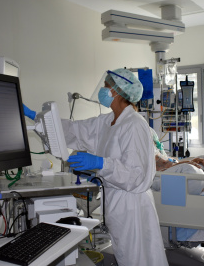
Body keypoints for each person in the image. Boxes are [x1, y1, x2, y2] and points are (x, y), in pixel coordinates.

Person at [24, 69, 169, 266]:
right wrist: (37, 118)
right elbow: (75, 130)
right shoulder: (107, 121)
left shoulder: (134, 125)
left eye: (106, 87)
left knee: (139, 260)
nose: (103, 90)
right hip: (118, 205)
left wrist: (101, 163)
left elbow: (136, 176)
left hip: (133, 207)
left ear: (117, 92)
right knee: (127, 257)